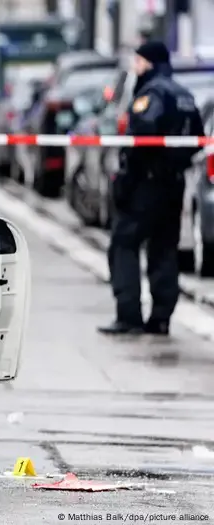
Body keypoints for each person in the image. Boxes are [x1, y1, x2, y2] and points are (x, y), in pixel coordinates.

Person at [99, 41, 205, 336]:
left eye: (138, 61)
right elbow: (196, 138)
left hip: (145, 185)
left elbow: (141, 138)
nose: (135, 67)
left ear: (148, 62)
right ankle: (161, 318)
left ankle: (129, 316)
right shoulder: (184, 95)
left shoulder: (152, 93)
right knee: (164, 250)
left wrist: (126, 180)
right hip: (173, 184)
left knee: (124, 244)